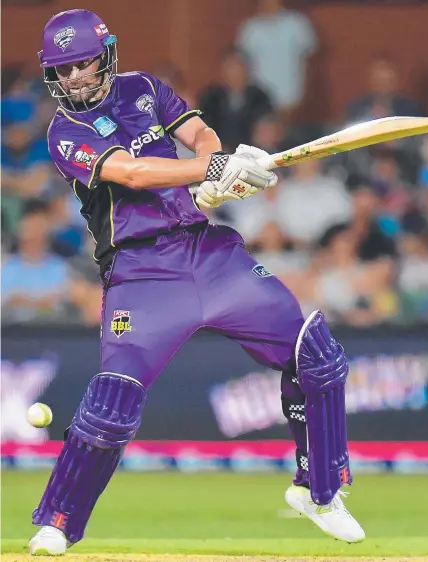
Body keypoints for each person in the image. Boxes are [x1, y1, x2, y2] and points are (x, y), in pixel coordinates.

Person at [29, 9, 364, 556]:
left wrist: (221, 170)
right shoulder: (65, 132)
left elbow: (199, 134)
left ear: (107, 55)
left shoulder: (144, 89)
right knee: (111, 405)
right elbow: (133, 173)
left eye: (82, 65)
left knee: (317, 356)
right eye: (62, 71)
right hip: (141, 274)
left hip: (206, 253)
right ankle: (58, 523)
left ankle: (320, 491)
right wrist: (209, 170)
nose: (73, 80)